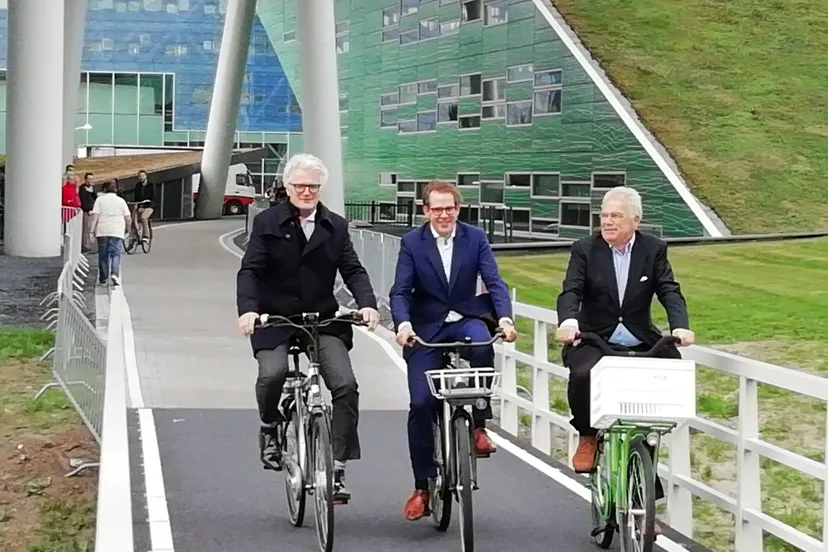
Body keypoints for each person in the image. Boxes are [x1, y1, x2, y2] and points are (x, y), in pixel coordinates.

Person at [236, 153, 381, 504]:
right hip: (276, 318)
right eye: (300, 185)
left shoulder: (335, 226)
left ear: (321, 188)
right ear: (288, 187)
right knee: (272, 374)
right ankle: (270, 426)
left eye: (313, 186)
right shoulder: (268, 222)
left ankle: (338, 465)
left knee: (345, 385)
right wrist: (248, 310)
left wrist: (367, 304)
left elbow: (353, 269)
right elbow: (251, 270)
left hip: (322, 319)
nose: (306, 192)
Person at [555, 186, 694, 531]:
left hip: (639, 337)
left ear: (636, 220)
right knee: (582, 374)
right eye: (603, 215)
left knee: (665, 379)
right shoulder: (585, 249)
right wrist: (569, 322)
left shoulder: (653, 249)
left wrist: (680, 326)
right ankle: (587, 435)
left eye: (615, 215)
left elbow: (669, 289)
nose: (607, 221)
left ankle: (642, 492)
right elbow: (571, 289)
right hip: (595, 338)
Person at [389, 180, 518, 521]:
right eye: (437, 209)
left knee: (481, 343)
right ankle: (422, 487)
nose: (444, 215)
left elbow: (494, 281)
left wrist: (505, 320)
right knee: (421, 404)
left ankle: (478, 425)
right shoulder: (412, 242)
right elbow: (400, 291)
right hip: (426, 326)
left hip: (465, 317)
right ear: (426, 210)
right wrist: (403, 325)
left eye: (450, 208)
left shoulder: (475, 237)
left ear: (458, 209)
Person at [88, 181, 131, 287]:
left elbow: (95, 217)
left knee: (103, 255)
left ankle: (103, 278)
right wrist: (128, 229)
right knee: (115, 254)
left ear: (104, 190)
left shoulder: (99, 200)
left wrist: (91, 231)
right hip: (117, 230)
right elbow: (128, 217)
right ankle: (114, 274)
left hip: (102, 230)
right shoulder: (121, 201)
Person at [132, 170, 154, 243]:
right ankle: (135, 235)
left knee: (143, 218)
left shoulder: (151, 185)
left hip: (149, 206)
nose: (141, 177)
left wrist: (147, 202)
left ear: (146, 176)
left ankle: (146, 236)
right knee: (133, 218)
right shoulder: (137, 186)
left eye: (142, 176)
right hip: (140, 205)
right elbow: (136, 198)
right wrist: (136, 205)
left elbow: (153, 196)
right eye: (139, 176)